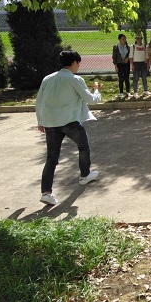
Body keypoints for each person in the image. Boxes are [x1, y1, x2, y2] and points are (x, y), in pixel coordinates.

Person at [35, 50, 102, 206]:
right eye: (78, 63)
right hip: (69, 121)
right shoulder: (74, 79)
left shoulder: (48, 79)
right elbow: (91, 99)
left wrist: (40, 120)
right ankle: (85, 175)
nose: (79, 66)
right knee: (83, 146)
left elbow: (39, 101)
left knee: (51, 158)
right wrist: (97, 89)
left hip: (51, 123)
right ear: (74, 62)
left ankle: (46, 192)